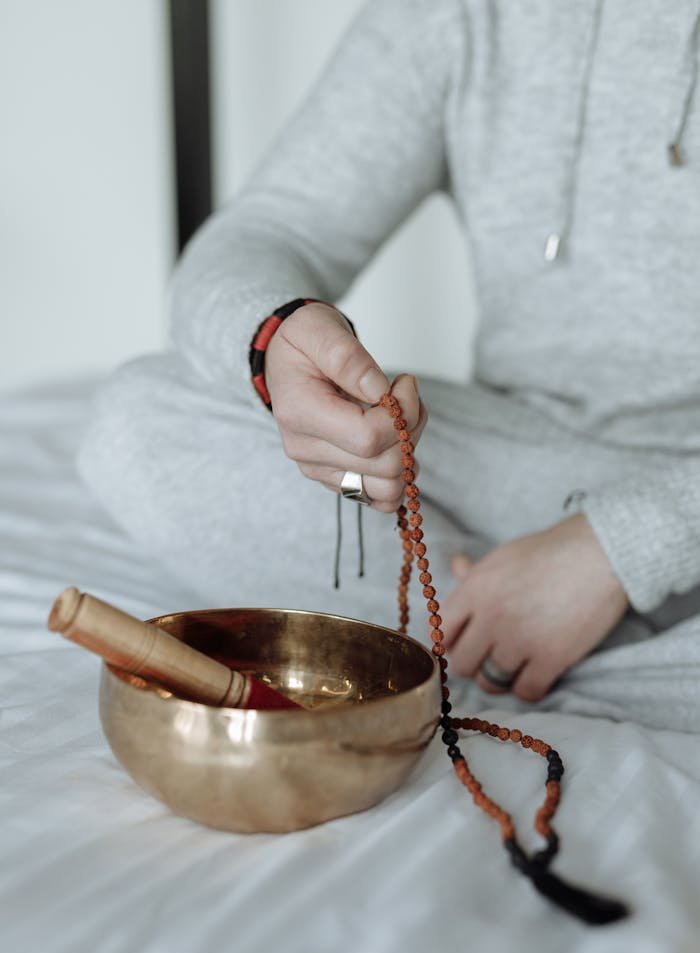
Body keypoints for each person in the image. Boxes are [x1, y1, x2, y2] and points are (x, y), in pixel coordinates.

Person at [78, 0, 700, 731]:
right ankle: (543, 641)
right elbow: (272, 226)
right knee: (138, 425)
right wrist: (277, 338)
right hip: (525, 471)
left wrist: (623, 549)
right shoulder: (454, 13)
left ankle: (484, 654)